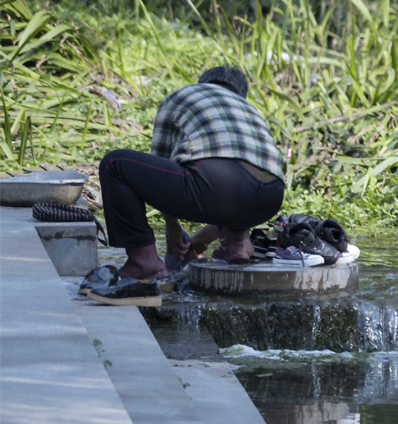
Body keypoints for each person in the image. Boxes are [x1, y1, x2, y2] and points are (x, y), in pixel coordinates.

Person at [99, 65, 287, 281]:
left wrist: (173, 228)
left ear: (203, 83)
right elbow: (244, 182)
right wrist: (202, 240)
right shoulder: (250, 110)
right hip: (270, 198)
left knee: (115, 164)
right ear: (240, 94)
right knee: (240, 179)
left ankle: (144, 263)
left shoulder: (186, 94)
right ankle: (237, 245)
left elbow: (161, 163)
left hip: (218, 185)